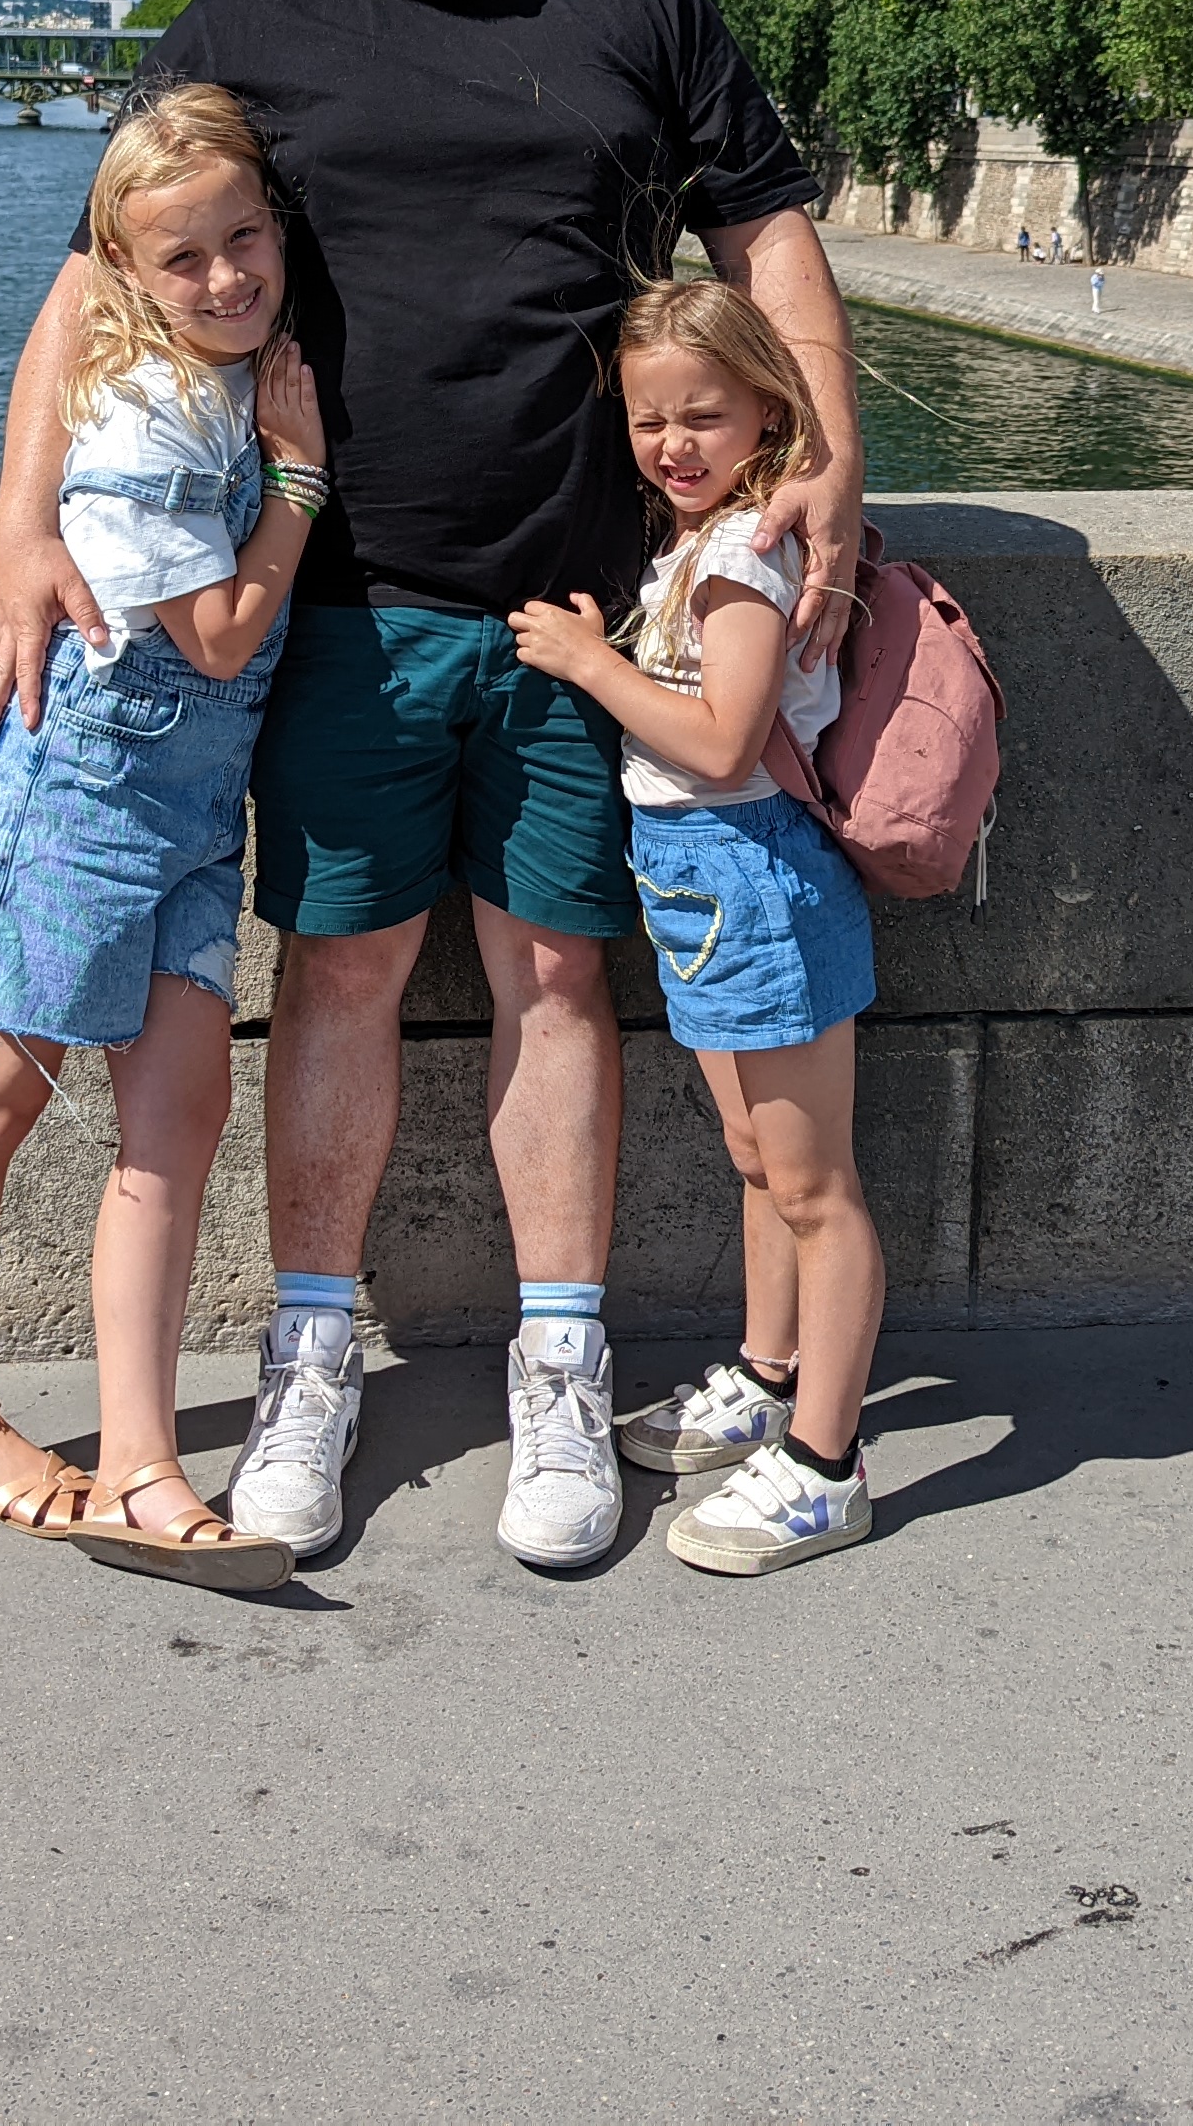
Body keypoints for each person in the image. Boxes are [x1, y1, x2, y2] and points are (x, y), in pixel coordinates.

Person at [0, 0, 861, 1573]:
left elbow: (765, 230)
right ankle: (312, 1354)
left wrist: (833, 461)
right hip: (342, 608)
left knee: (557, 977)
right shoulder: (240, 35)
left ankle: (561, 1361)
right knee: (345, 972)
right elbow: (92, 286)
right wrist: (20, 528)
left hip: (581, 609)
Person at [0, 86, 321, 1593]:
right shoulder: (149, 411)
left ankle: (141, 1460)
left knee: (179, 1117)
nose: (224, 276)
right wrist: (301, 484)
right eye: (182, 258)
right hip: (74, 799)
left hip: (190, 812)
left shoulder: (227, 374)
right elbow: (219, 636)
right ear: (123, 274)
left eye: (244, 238)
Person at [508, 280, 880, 1574]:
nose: (672, 445)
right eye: (648, 419)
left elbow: (724, 744)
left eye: (703, 418)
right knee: (754, 1154)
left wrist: (593, 665)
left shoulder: (740, 557)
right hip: (701, 883)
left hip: (753, 873)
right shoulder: (698, 540)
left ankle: (826, 1464)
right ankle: (769, 1378)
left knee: (815, 1186)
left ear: (768, 411)